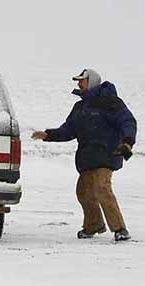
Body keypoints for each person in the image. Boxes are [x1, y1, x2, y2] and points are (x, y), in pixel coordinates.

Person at [32, 68, 137, 241]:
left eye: (82, 80)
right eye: (78, 81)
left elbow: (127, 121)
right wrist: (48, 135)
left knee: (102, 187)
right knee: (83, 191)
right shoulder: (79, 107)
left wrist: (127, 141)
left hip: (107, 154)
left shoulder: (111, 102)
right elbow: (68, 130)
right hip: (87, 158)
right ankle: (94, 224)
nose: (79, 84)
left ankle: (120, 229)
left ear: (92, 82)